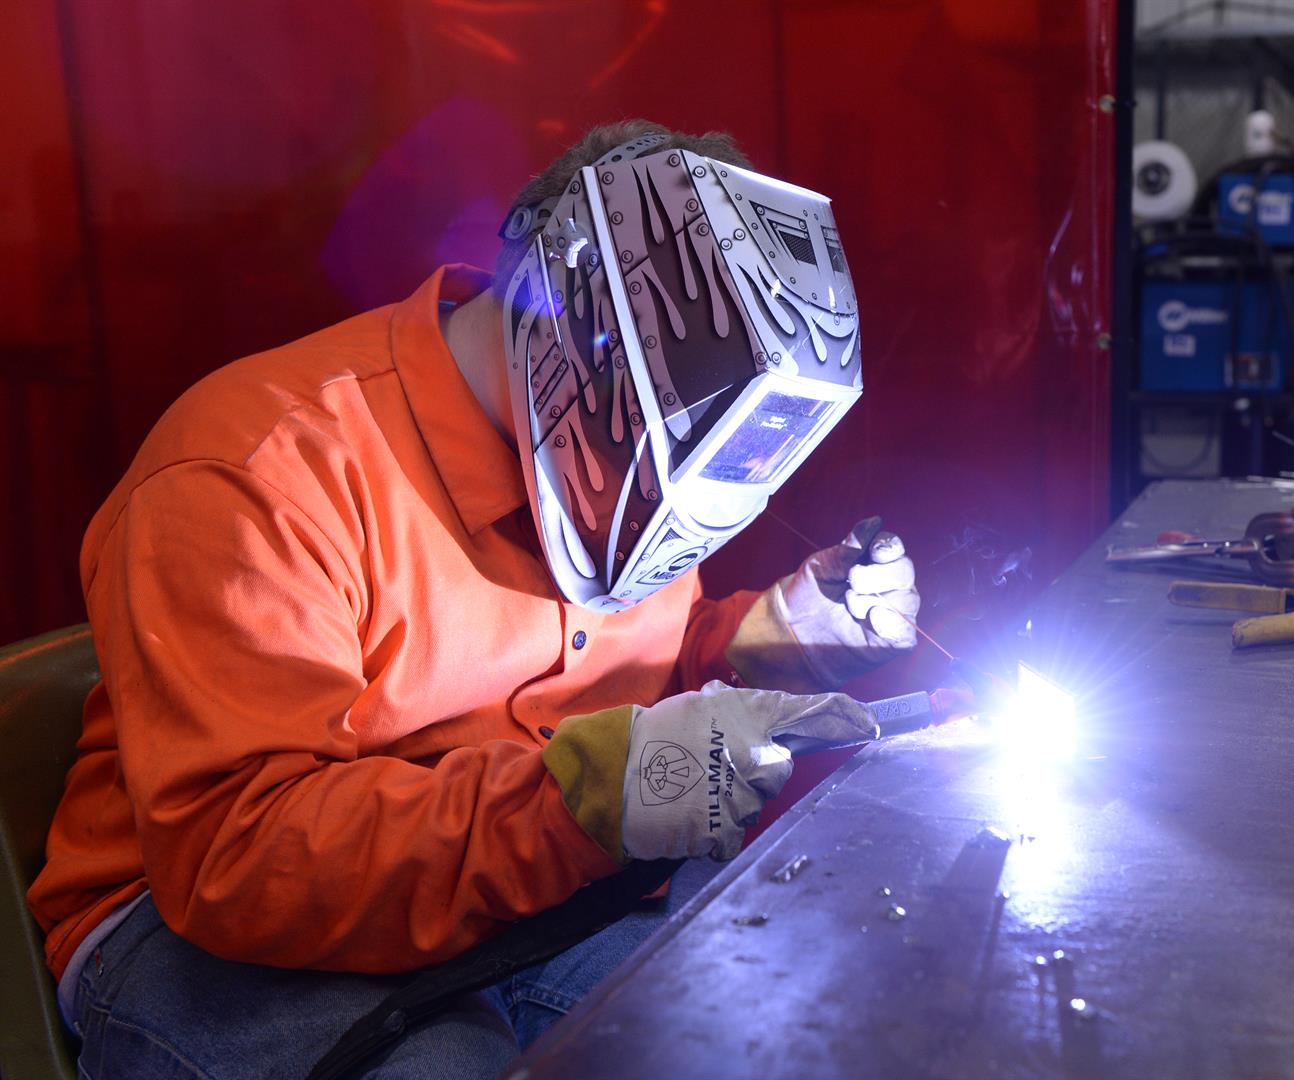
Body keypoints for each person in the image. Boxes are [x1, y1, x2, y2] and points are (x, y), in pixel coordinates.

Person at [28, 119, 920, 1078]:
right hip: (206, 924)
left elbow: (612, 683)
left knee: (769, 1014)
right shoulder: (259, 471)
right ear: (569, 298)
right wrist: (585, 801)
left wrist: (761, 641)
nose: (669, 500)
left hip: (510, 881)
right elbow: (241, 861)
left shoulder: (631, 439)